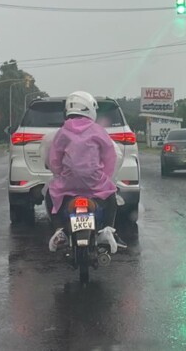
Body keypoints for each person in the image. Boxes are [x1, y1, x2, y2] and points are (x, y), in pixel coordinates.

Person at [45, 91, 126, 254]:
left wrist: (61, 174)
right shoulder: (97, 130)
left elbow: (54, 159)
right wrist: (106, 177)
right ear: (90, 109)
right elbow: (110, 156)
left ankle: (59, 231)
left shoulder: (63, 131)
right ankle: (108, 230)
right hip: (95, 184)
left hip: (68, 185)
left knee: (49, 194)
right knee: (111, 195)